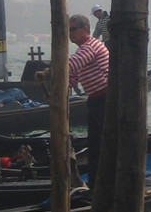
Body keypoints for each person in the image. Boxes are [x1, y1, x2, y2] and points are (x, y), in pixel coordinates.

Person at [37, 14, 109, 189]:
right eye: (68, 30)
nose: (70, 34)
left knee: (100, 146)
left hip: (106, 101)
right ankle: (95, 186)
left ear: (85, 29)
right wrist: (54, 93)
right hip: (95, 101)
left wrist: (47, 72)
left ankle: (99, 186)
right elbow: (71, 80)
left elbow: (70, 65)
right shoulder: (82, 50)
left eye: (73, 29)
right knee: (95, 146)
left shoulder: (91, 46)